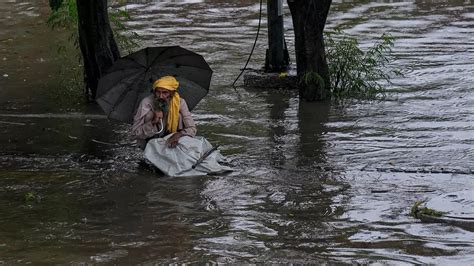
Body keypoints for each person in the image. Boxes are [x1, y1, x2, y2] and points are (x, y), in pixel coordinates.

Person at [132, 76, 197, 150]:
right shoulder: (146, 103)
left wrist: (178, 135)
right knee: (149, 115)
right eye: (158, 92)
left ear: (172, 93)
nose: (161, 96)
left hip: (173, 143)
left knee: (179, 116)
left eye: (165, 93)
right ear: (154, 92)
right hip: (150, 144)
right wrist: (153, 122)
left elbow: (192, 129)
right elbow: (135, 134)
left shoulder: (180, 102)